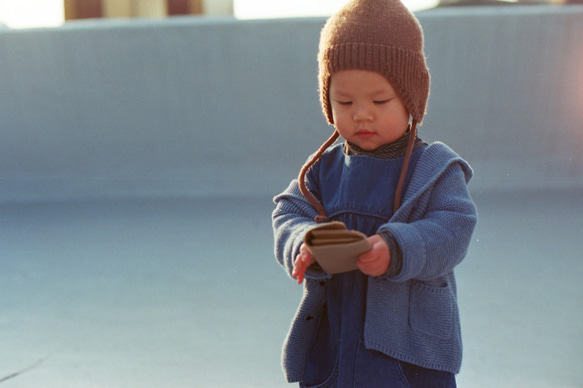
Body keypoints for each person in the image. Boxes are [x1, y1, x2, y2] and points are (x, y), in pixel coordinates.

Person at [272, 0, 478, 386]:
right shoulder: (322, 170)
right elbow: (287, 212)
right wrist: (305, 241)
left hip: (409, 349)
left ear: (411, 100)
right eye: (345, 102)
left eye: (380, 101)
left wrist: (398, 248)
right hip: (336, 337)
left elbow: (454, 228)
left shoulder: (433, 168)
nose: (361, 114)